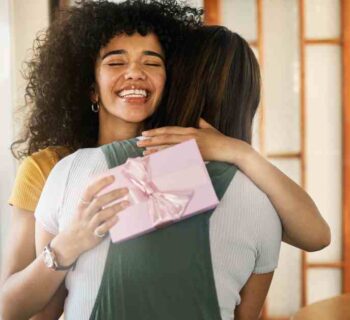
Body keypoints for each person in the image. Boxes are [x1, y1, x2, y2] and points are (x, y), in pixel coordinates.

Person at [0, 0, 329, 319]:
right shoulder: (53, 168)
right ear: (90, 88)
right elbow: (31, 310)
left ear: (170, 83)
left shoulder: (172, 169)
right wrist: (66, 247)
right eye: (116, 62)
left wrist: (237, 152)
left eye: (152, 62)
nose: (134, 73)